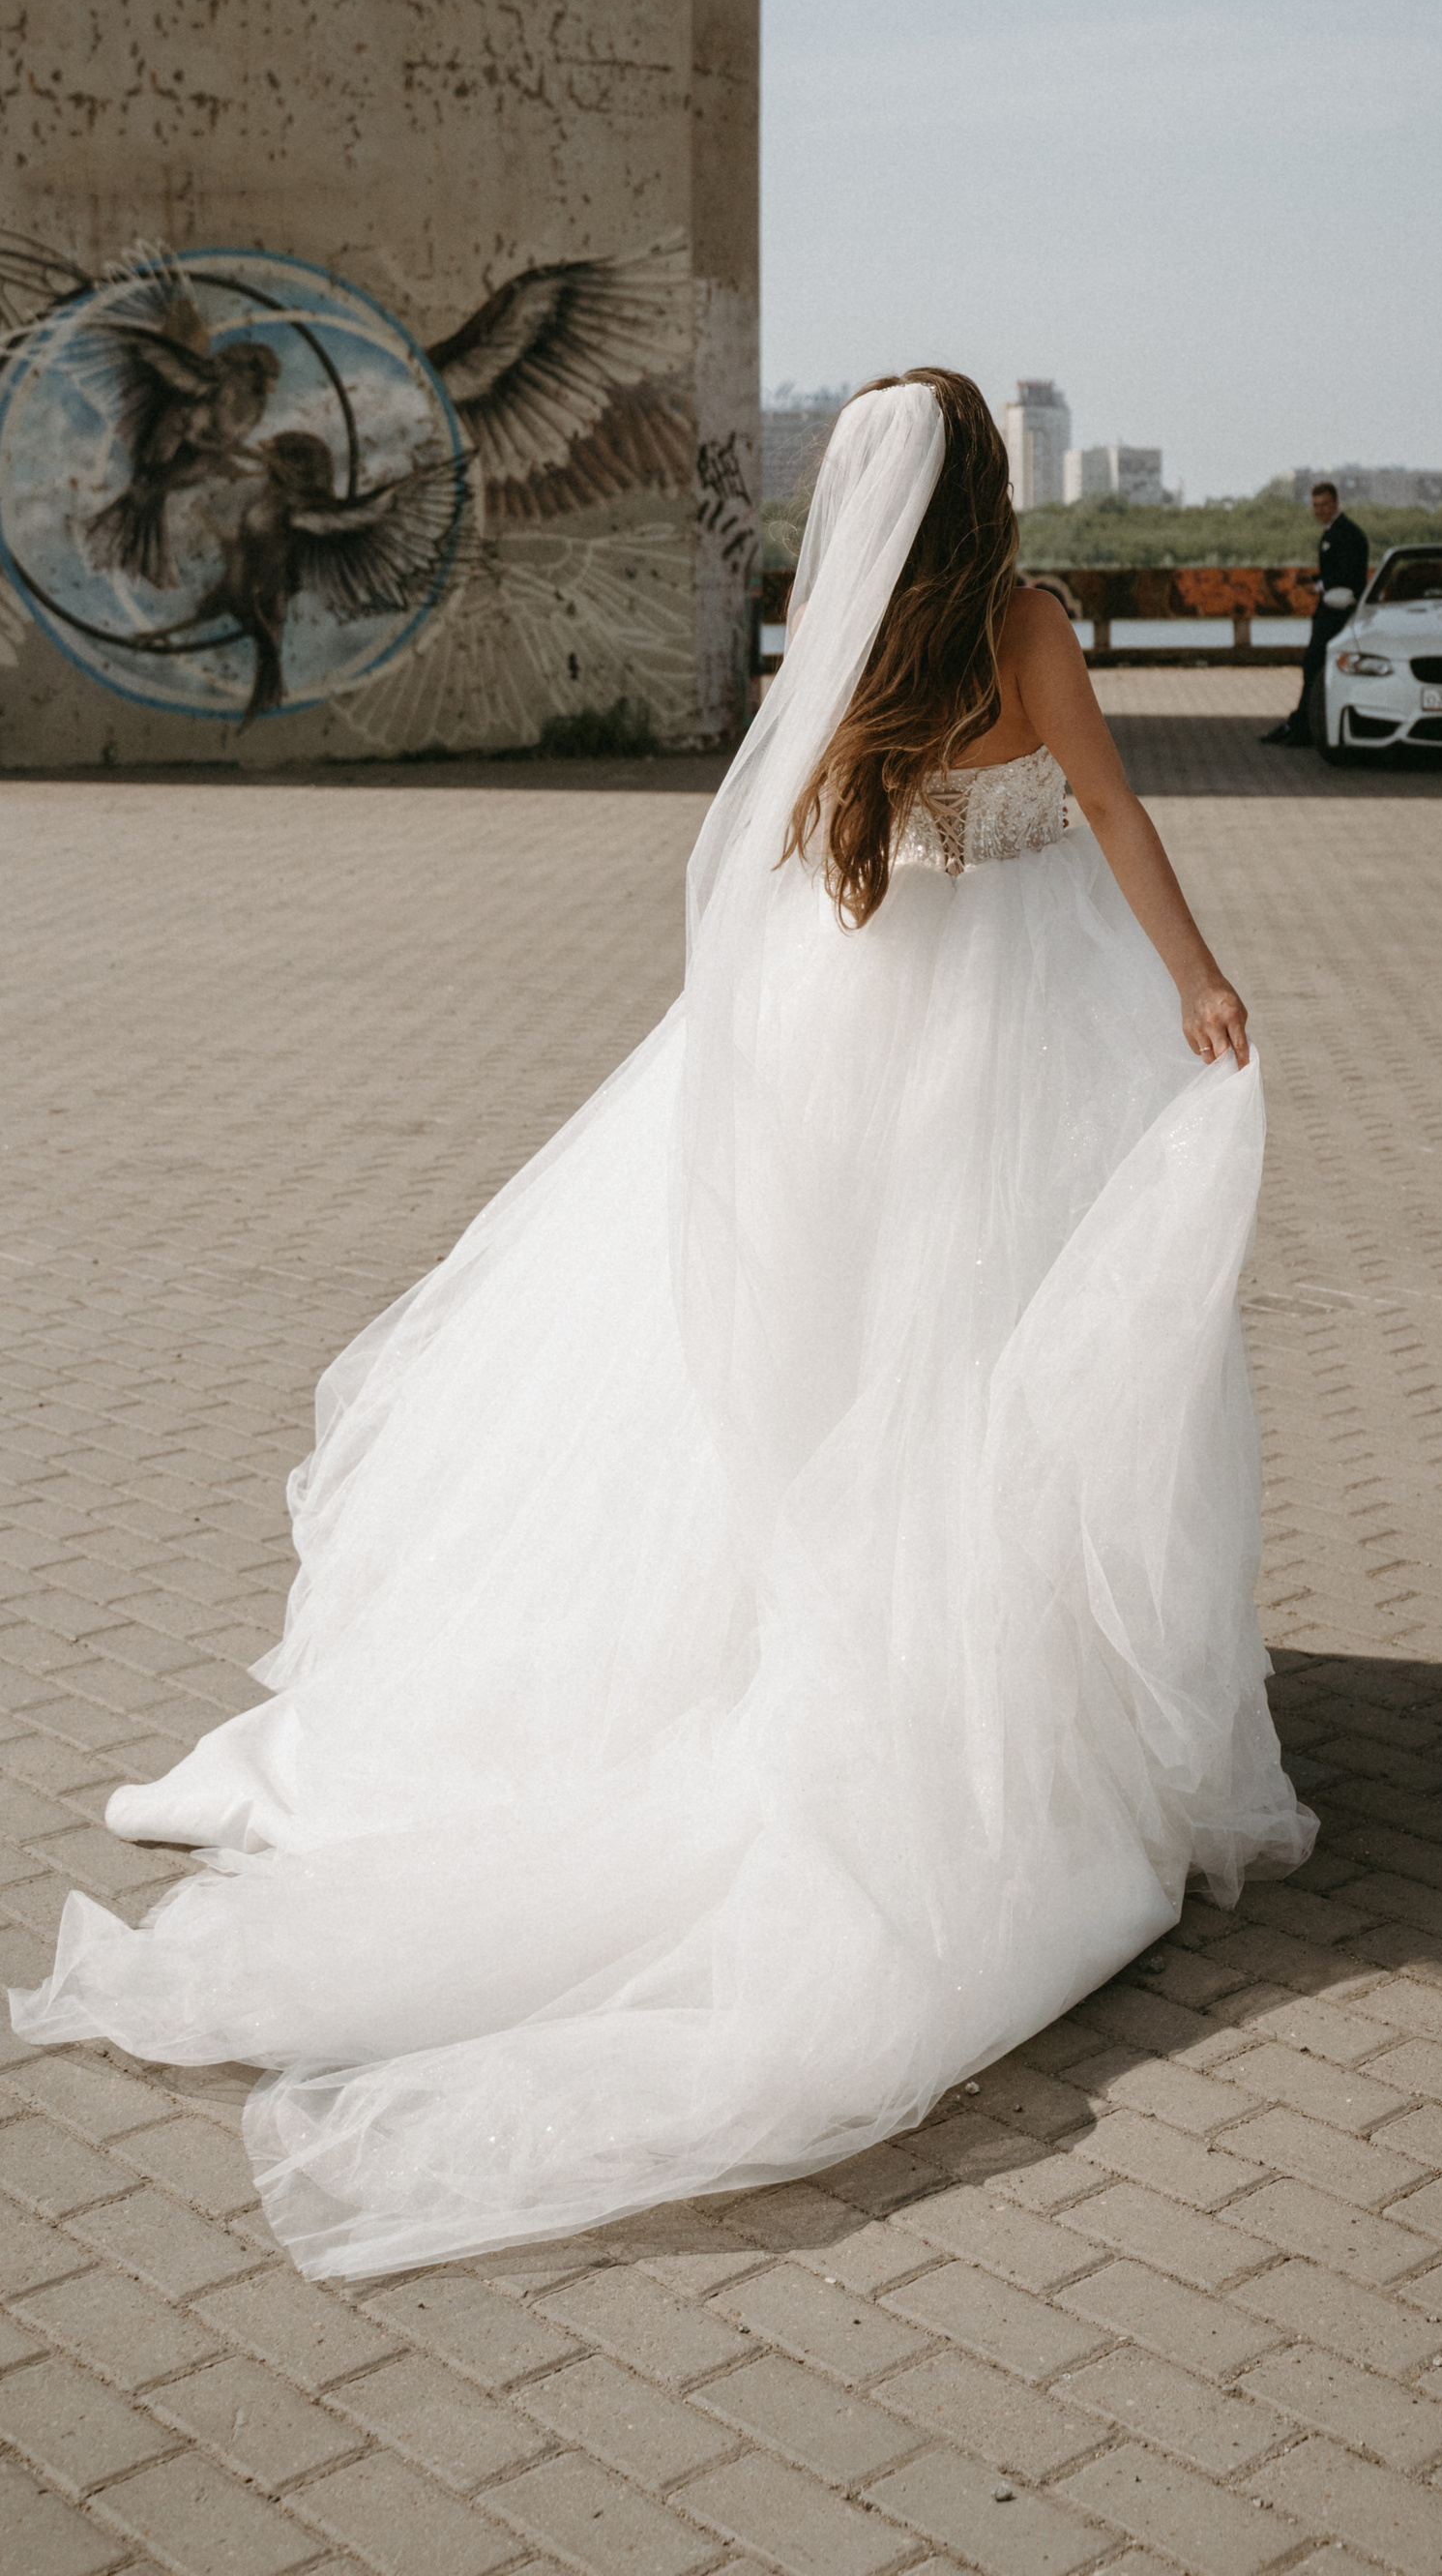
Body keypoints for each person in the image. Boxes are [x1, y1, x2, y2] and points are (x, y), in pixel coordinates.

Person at [12, 371, 1314, 2280]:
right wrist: (1194, 979)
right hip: (1021, 1027)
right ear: (986, 491)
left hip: (860, 1013)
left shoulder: (852, 642)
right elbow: (1107, 809)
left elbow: (784, 854)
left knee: (849, 1356)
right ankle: (995, 1680)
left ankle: (837, 1635)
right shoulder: (1024, 625)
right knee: (998, 1361)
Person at [1262, 478, 1370, 747]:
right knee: (1316, 666)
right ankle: (1304, 721)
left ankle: (1304, 725)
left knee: (1315, 664)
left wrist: (1320, 585)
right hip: (1330, 611)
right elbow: (1337, 571)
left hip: (1337, 613)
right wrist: (1313, 579)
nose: (1320, 510)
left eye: (1324, 504)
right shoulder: (1337, 531)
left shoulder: (1345, 534)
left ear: (1336, 503)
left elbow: (1348, 575)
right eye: (1316, 505)